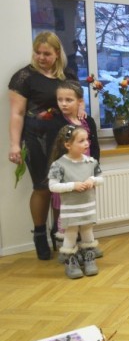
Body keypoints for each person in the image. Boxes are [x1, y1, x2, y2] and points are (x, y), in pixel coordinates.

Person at [8, 31, 82, 260]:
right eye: (37, 53)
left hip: (64, 140)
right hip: (36, 139)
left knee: (63, 188)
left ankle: (60, 232)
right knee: (42, 187)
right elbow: (17, 113)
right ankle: (39, 235)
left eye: (47, 53)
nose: (41, 57)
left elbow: (77, 103)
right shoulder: (24, 77)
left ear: (57, 53)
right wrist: (14, 145)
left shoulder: (68, 75)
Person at [49, 80, 101, 261]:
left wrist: (94, 171)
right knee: (67, 214)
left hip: (85, 175)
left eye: (69, 100)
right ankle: (68, 250)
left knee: (85, 211)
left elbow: (95, 148)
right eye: (60, 100)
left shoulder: (87, 121)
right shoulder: (56, 123)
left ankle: (87, 246)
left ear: (80, 101)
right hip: (68, 177)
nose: (63, 104)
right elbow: (56, 151)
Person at [47, 125, 104, 279]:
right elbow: (53, 186)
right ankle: (70, 260)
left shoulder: (91, 162)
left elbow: (101, 179)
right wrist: (73, 185)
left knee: (87, 231)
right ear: (68, 145)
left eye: (87, 139)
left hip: (88, 207)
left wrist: (92, 180)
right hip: (70, 209)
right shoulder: (58, 165)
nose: (87, 143)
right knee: (71, 234)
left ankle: (89, 257)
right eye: (81, 140)